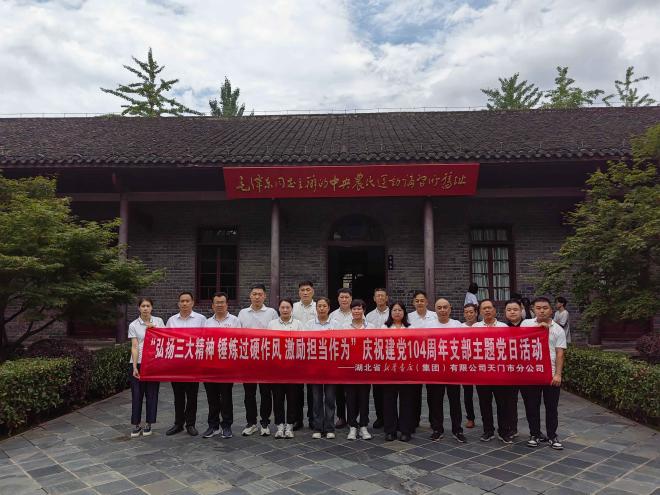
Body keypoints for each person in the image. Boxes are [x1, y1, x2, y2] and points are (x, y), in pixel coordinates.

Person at [521, 297, 567, 450]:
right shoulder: (526, 324)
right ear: (533, 310)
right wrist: (537, 330)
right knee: (532, 406)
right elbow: (520, 342)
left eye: (545, 308)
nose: (541, 311)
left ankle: (552, 436)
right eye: (538, 308)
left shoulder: (558, 329)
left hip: (551, 374)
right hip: (532, 373)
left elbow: (560, 353)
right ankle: (534, 434)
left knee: (551, 407)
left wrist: (558, 374)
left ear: (551, 310)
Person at [237, 284, 279, 436]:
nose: (257, 297)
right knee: (249, 393)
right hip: (248, 359)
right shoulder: (243, 313)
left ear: (264, 296)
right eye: (254, 294)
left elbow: (276, 333)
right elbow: (237, 335)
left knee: (266, 392)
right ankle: (251, 422)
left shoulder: (271, 312)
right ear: (250, 296)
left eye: (260, 294)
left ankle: (265, 422)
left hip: (266, 359)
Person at [473, 299, 516, 444]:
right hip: (482, 373)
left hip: (499, 373)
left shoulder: (504, 327)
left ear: (495, 310)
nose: (487, 310)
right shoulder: (475, 327)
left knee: (502, 403)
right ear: (480, 312)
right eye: (484, 308)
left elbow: (510, 348)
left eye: (489, 308)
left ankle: (504, 431)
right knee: (484, 403)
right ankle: (488, 430)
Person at [424, 298, 466, 443]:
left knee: (455, 401)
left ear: (450, 308)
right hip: (435, 370)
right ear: (435, 309)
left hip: (452, 369)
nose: (442, 310)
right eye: (439, 307)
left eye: (445, 307)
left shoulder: (457, 325)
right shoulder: (428, 326)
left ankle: (457, 429)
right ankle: (437, 429)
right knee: (435, 400)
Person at [165, 292, 206, 436]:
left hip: (193, 364)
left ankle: (190, 424)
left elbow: (206, 339)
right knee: (178, 396)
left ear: (192, 303)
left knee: (192, 396)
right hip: (176, 365)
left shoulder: (201, 319)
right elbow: (166, 340)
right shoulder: (171, 320)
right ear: (178, 303)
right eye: (182, 301)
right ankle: (178, 423)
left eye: (187, 301)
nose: (184, 303)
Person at [201, 292, 240, 439]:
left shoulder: (235, 321)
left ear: (227, 304)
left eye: (222, 302)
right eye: (216, 303)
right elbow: (203, 342)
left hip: (227, 366)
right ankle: (213, 426)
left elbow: (239, 341)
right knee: (212, 398)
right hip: (210, 366)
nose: (219, 305)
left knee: (226, 397)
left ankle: (227, 425)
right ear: (212, 305)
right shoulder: (207, 322)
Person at [268, 298, 304, 439]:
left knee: (292, 398)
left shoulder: (298, 324)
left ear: (291, 309)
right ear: (279, 309)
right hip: (276, 368)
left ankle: (289, 425)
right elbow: (269, 344)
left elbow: (302, 344)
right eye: (282, 307)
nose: (285, 310)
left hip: (293, 368)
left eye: (287, 307)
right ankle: (279, 426)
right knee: (277, 398)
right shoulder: (272, 324)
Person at [128, 297, 164, 438]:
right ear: (139, 308)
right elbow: (135, 346)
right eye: (143, 306)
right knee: (137, 395)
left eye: (148, 306)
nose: (145, 308)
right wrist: (135, 366)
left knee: (152, 394)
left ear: (152, 307)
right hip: (138, 363)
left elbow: (165, 339)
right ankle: (136, 424)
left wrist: (154, 330)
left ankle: (149, 423)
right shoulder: (133, 325)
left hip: (153, 363)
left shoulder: (159, 321)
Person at [382, 302, 416, 442]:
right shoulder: (384, 328)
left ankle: (405, 430)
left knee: (406, 401)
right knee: (389, 400)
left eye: (400, 310)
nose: (397, 312)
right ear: (390, 313)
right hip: (389, 370)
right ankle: (390, 430)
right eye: (394, 310)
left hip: (406, 370)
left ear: (404, 312)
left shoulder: (411, 328)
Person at [342, 299, 373, 440]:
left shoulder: (371, 327)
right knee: (350, 398)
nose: (356, 311)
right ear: (351, 311)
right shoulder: (344, 327)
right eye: (354, 309)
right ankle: (353, 426)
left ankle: (364, 426)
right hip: (349, 369)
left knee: (364, 398)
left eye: (359, 308)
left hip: (365, 369)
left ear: (363, 310)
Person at [308, 296, 338, 439]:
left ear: (329, 308)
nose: (321, 308)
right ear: (316, 308)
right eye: (319, 306)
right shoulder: (309, 325)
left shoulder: (336, 324)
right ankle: (318, 427)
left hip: (331, 367)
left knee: (330, 398)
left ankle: (330, 427)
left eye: (324, 306)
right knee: (316, 399)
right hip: (315, 367)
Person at [408, 290, 435, 427]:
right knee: (414, 393)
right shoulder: (408, 317)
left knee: (433, 393)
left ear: (427, 302)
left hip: (431, 359)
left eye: (422, 300)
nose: (419, 303)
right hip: (415, 359)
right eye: (417, 301)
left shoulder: (434, 316)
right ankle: (414, 420)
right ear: (413, 303)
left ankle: (434, 421)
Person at [292, 281, 317, 430]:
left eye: (308, 290)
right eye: (302, 290)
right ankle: (297, 419)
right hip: (296, 352)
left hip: (313, 353)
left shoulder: (318, 307)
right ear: (299, 292)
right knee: (297, 389)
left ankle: (312, 418)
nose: (305, 292)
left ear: (313, 291)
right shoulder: (293, 307)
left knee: (313, 389)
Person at [366, 288, 389, 429]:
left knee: (389, 390)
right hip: (375, 357)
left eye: (382, 296)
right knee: (377, 390)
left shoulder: (393, 313)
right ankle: (380, 417)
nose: (380, 298)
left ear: (387, 298)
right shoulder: (369, 316)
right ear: (374, 299)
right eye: (377, 296)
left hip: (390, 357)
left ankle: (390, 417)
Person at [330, 288, 353, 428]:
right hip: (338, 358)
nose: (344, 300)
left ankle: (352, 417)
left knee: (351, 390)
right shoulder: (332, 315)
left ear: (351, 299)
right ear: (338, 299)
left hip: (353, 357)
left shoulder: (358, 313)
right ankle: (341, 416)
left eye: (346, 297)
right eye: (342, 297)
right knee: (339, 390)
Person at [504, 298, 524, 438]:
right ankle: (512, 427)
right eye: (509, 310)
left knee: (531, 402)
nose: (512, 312)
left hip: (528, 371)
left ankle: (535, 431)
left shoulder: (530, 326)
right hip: (510, 371)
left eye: (515, 309)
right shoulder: (502, 328)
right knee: (510, 402)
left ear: (521, 310)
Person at [461, 303, 479, 429]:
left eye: (471, 312)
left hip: (480, 364)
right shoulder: (459, 327)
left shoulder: (482, 326)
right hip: (466, 364)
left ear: (476, 313)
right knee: (467, 393)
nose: (469, 314)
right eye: (466, 312)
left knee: (483, 394)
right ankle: (470, 418)